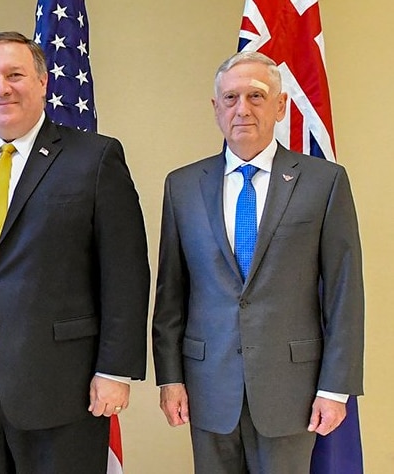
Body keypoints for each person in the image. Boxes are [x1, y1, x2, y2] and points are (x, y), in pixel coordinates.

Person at [0, 31, 150, 473]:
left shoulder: (94, 158)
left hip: (63, 384)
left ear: (43, 82)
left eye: (15, 75)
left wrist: (115, 370)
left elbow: (125, 273)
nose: (1, 87)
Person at [152, 51, 365, 473]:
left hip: (292, 390)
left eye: (256, 96)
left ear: (281, 106)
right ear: (216, 109)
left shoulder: (324, 181)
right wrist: (170, 378)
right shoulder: (183, 186)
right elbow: (171, 294)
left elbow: (344, 292)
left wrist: (336, 389)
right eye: (230, 98)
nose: (242, 109)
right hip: (208, 386)